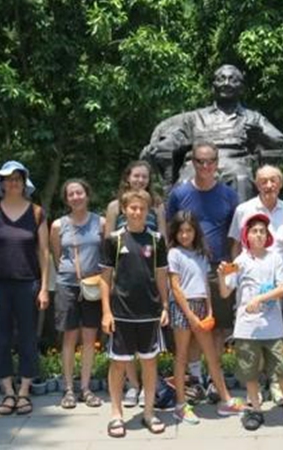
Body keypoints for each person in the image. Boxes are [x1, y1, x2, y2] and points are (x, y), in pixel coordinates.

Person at [142, 64, 283, 202]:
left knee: (241, 178)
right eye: (221, 79)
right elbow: (176, 138)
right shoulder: (194, 117)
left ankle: (242, 227)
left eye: (233, 80)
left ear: (241, 88)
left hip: (235, 163)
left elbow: (281, 143)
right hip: (198, 164)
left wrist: (261, 137)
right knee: (186, 180)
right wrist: (159, 146)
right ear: (213, 87)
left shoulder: (253, 118)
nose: (226, 83)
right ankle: (183, 227)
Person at [218, 213, 283, 432]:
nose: (258, 234)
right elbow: (225, 292)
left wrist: (259, 298)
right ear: (246, 235)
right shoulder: (238, 261)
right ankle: (256, 410)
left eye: (262, 231)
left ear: (267, 235)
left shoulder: (274, 258)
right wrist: (221, 276)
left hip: (272, 328)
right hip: (247, 329)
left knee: (282, 370)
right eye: (254, 231)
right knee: (250, 373)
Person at [0, 161, 49, 416]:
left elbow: (44, 251)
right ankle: (8, 391)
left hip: (28, 284)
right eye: (8, 178)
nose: (13, 182)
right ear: (2, 183)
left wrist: (43, 288)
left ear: (24, 182)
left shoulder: (37, 213)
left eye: (17, 178)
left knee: (28, 337)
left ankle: (25, 390)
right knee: (0, 338)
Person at [167, 141, 239, 398]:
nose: (206, 166)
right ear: (193, 163)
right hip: (187, 268)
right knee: (192, 328)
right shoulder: (179, 194)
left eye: (210, 161)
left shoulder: (229, 195)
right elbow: (171, 232)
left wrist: (232, 272)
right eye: (200, 161)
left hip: (218, 269)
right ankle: (195, 378)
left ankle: (212, 379)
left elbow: (235, 238)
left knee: (217, 327)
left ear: (217, 163)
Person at [100, 189, 169, 438]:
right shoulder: (113, 239)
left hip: (150, 314)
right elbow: (105, 279)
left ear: (148, 211)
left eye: (142, 208)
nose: (137, 212)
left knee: (150, 363)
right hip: (121, 314)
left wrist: (164, 305)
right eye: (132, 208)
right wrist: (106, 312)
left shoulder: (156, 240)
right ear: (124, 210)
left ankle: (149, 412)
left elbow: (161, 275)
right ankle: (116, 414)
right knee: (118, 365)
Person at [167, 210, 244, 424]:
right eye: (181, 231)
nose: (185, 235)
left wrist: (209, 310)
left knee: (211, 354)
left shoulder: (201, 254)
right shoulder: (173, 253)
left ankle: (226, 400)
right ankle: (181, 405)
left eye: (189, 231)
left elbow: (205, 286)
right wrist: (190, 316)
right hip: (183, 308)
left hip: (202, 305)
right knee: (182, 355)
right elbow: (175, 286)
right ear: (175, 233)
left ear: (195, 232)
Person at [228, 164, 283, 405]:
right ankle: (253, 393)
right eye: (263, 181)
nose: (268, 185)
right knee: (252, 343)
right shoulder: (244, 209)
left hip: (281, 279)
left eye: (273, 181)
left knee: (276, 339)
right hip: (249, 281)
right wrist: (233, 277)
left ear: (280, 183)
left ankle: (276, 386)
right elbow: (236, 245)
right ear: (257, 184)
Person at [104, 160, 165, 408]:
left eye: (145, 177)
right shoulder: (114, 208)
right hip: (123, 287)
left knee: (149, 357)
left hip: (148, 285)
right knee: (121, 356)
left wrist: (165, 301)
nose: (140, 180)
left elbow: (162, 250)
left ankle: (148, 403)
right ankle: (131, 387)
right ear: (128, 177)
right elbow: (107, 252)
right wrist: (107, 306)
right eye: (136, 176)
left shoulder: (157, 207)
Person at [51, 179, 104, 409]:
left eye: (79, 192)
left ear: (87, 194)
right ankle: (68, 388)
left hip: (92, 285)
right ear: (66, 199)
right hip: (67, 285)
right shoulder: (57, 225)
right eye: (71, 194)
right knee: (69, 338)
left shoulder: (100, 222)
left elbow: (105, 253)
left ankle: (85, 387)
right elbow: (56, 255)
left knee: (90, 338)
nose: (76, 197)